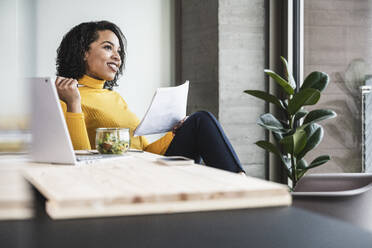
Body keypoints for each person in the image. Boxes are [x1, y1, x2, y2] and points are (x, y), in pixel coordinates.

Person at [55, 20, 245, 174]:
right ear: (83, 53)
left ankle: (239, 184)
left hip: (143, 168)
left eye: (119, 51)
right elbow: (78, 160)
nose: (117, 57)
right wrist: (73, 103)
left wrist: (173, 135)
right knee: (200, 120)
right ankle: (240, 183)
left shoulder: (115, 98)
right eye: (108, 48)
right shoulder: (68, 97)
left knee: (195, 123)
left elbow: (145, 151)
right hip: (118, 176)